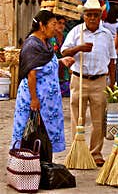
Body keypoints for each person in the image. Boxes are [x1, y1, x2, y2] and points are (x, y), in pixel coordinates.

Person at [61, 0, 117, 166]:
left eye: (95, 15)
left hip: (99, 81)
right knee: (77, 117)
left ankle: (95, 152)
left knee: (98, 119)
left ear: (100, 16)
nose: (92, 18)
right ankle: (77, 150)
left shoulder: (106, 34)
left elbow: (112, 60)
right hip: (79, 79)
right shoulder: (77, 32)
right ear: (84, 16)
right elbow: (64, 51)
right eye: (89, 15)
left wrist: (112, 84)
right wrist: (79, 48)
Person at [11, 10, 74, 153]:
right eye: (53, 24)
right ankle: (26, 165)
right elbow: (31, 73)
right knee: (30, 133)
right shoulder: (32, 44)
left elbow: (44, 66)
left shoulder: (45, 43)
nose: (56, 27)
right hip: (34, 99)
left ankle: (42, 164)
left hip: (48, 103)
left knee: (43, 136)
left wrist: (61, 62)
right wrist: (34, 99)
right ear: (42, 25)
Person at [49, 15, 71, 97]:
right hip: (53, 67)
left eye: (63, 23)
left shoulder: (67, 36)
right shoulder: (50, 37)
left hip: (65, 70)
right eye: (59, 23)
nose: (61, 25)